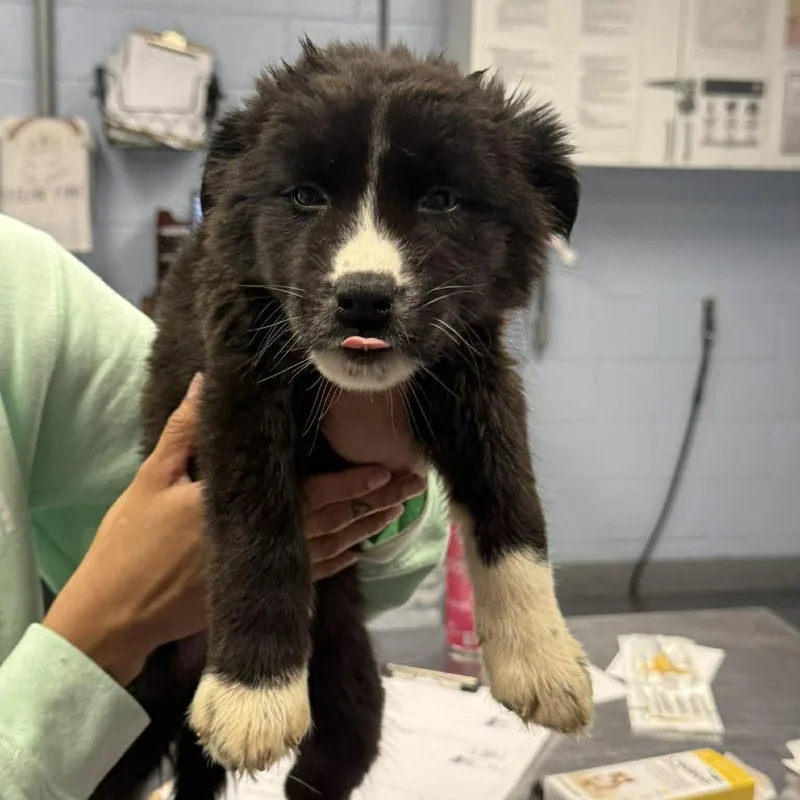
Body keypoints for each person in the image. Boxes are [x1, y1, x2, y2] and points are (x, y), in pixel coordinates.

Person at [0, 214, 449, 799]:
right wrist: (101, 635)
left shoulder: (20, 281)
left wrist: (378, 466)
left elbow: (409, 541)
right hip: (75, 732)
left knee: (335, 736)